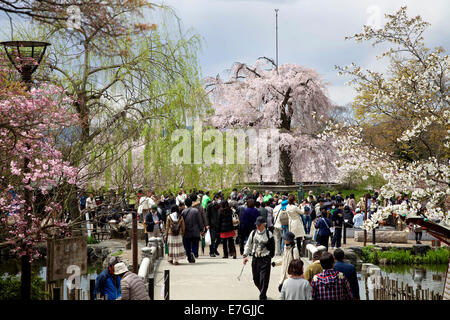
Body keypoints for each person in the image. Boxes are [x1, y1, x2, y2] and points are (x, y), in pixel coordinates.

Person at [243, 216, 275, 300]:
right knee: (256, 279)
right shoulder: (253, 233)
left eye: (259, 224)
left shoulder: (269, 234)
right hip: (255, 258)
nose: (257, 226)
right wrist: (245, 255)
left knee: (264, 278)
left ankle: (262, 295)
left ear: (263, 225)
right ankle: (262, 291)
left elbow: (272, 247)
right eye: (256, 224)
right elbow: (248, 244)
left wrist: (270, 256)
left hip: (265, 258)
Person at [182, 197, 204, 263]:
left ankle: (189, 255)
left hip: (186, 231)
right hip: (195, 230)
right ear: (191, 203)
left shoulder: (183, 212)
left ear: (185, 204)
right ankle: (194, 253)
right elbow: (200, 221)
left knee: (187, 244)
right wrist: (201, 229)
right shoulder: (196, 211)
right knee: (195, 243)